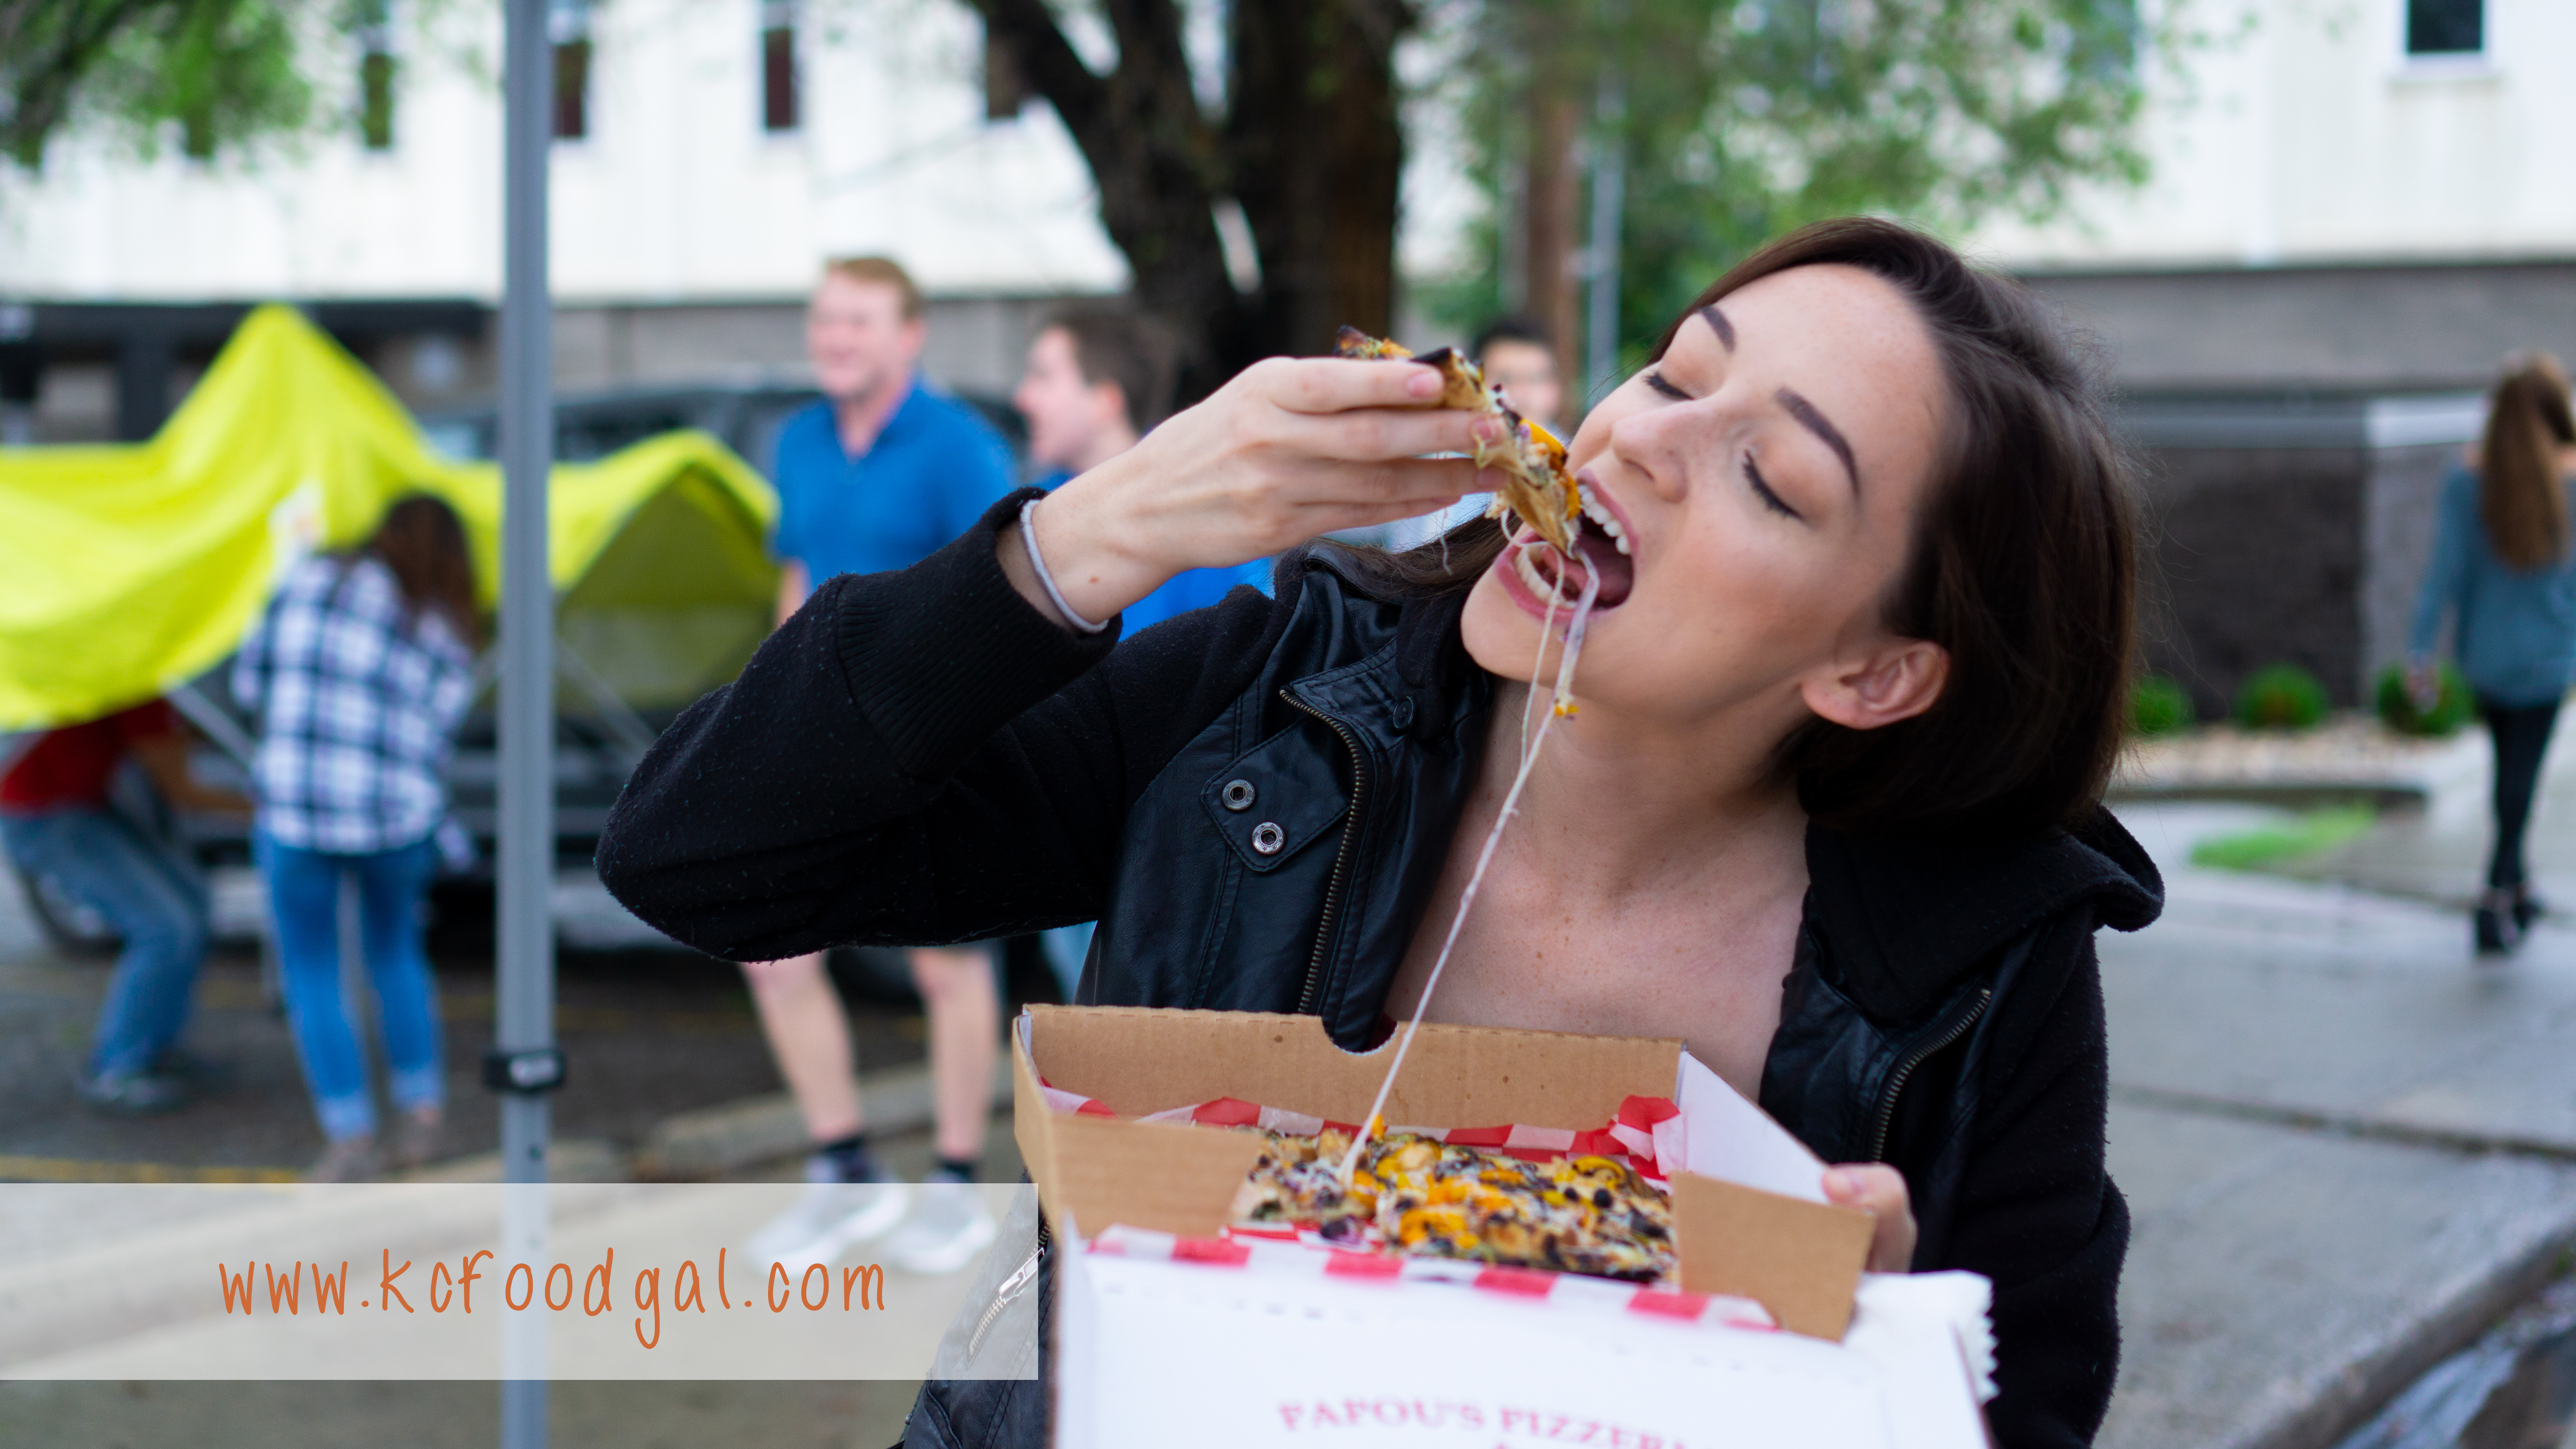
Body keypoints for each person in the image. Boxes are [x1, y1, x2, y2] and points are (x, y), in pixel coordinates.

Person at [598, 218, 2160, 1449]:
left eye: (1766, 473)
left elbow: (2018, 1415)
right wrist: (1102, 527)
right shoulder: (1270, 714)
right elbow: (701, 853)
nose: (1635, 445)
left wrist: (1878, 1364)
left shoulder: (1978, 970)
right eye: (1677, 374)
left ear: (1871, 668)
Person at [743, 255, 1018, 1276]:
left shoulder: (957, 448)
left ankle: (952, 1182)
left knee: (944, 959)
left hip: (927, 729)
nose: (835, 338)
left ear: (910, 336)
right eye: (824, 319)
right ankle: (844, 1166)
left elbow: (999, 592)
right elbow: (796, 579)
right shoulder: (800, 439)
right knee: (771, 947)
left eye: (857, 320)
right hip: (817, 728)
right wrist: (770, 707)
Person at [234, 494, 478, 1182]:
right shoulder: (441, 626)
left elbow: (251, 682)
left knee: (311, 972)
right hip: (394, 817)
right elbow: (442, 727)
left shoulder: (307, 582)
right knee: (395, 955)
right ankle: (422, 1116)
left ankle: (350, 1137)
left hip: (296, 809)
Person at [1, 700, 250, 1110]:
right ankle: (117, 1068)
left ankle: (156, 1048)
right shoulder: (139, 690)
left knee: (192, 905)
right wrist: (271, 810)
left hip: (82, 803)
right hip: (46, 815)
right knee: (164, 929)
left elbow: (184, 745)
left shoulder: (136, 682)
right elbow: (184, 792)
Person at [2409, 353, 2576, 956]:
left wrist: (2420, 652)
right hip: (2548, 660)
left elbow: (2443, 577)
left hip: (2485, 659)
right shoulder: (2571, 483)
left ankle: (2520, 887)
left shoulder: (2466, 483)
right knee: (2520, 783)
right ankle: (2493, 896)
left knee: (2511, 773)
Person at [1012, 303, 1272, 634]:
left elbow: (1237, 659)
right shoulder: (1033, 510)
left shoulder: (1207, 510)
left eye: (1042, 376)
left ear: (1104, 402)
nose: (1023, 398)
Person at [1473, 313, 1566, 433]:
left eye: (1535, 379)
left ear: (1556, 387)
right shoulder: (1451, 450)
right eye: (1506, 379)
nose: (1521, 394)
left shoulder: (1577, 450)